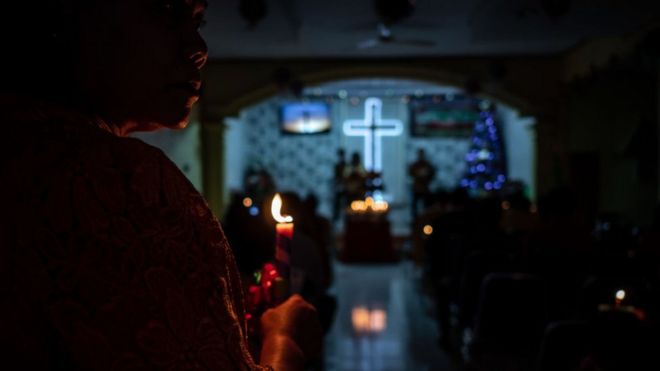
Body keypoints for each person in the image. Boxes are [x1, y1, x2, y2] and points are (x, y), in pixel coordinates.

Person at [0, 1, 321, 370]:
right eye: (167, 11)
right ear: (68, 18)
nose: (198, 49)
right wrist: (285, 340)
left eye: (198, 21)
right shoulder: (116, 181)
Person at [409, 148, 436, 222]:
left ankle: (426, 218)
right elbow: (411, 172)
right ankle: (415, 219)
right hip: (417, 188)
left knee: (426, 205)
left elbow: (432, 173)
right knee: (414, 206)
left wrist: (426, 178)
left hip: (424, 188)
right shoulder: (415, 164)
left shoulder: (427, 164)